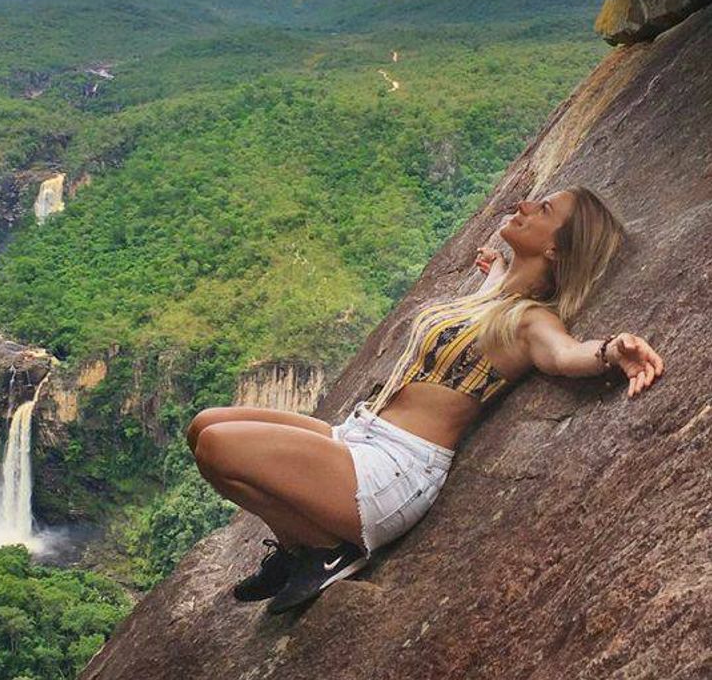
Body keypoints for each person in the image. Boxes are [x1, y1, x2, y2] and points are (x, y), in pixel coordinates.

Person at [185, 186, 665, 615]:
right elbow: (484, 307)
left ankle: (326, 549)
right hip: (359, 434)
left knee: (219, 448)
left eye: (541, 209)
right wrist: (498, 269)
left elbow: (564, 354)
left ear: (555, 247)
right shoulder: (494, 294)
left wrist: (609, 351)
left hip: (392, 469)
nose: (522, 206)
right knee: (203, 426)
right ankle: (300, 550)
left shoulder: (530, 321)